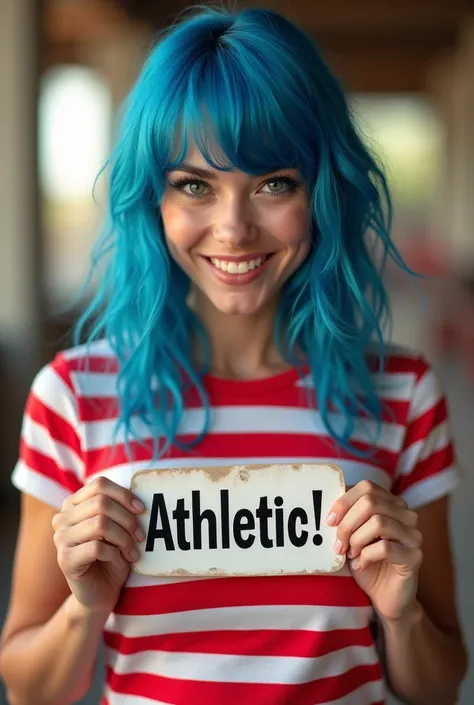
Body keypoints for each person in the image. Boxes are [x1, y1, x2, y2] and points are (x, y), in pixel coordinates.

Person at [0, 5, 468, 705]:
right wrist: (84, 607)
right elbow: (31, 687)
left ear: (321, 192)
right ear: (152, 200)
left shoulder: (402, 393)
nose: (234, 229)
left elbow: (438, 683)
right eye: (194, 184)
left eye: (274, 182)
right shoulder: (72, 394)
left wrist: (399, 614)